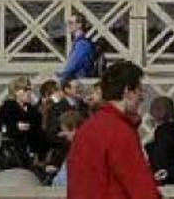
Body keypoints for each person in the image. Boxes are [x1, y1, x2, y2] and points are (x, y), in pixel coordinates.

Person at [65, 61, 161, 199]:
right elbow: (139, 185)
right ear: (128, 91)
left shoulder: (87, 128)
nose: (142, 97)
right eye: (140, 90)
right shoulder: (120, 131)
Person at [0, 76, 46, 173]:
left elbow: (38, 130)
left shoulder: (33, 110)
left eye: (30, 89)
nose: (29, 93)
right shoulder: (8, 107)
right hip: (13, 152)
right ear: (16, 91)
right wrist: (15, 127)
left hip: (30, 152)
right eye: (25, 90)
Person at [146, 96, 174, 186]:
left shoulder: (164, 132)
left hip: (166, 181)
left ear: (162, 112)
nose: (150, 113)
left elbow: (160, 158)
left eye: (153, 109)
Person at [45, 109, 85, 187]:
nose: (62, 134)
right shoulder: (70, 145)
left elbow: (61, 182)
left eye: (64, 131)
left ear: (73, 129)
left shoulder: (78, 149)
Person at [57, 14, 98, 84]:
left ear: (79, 25)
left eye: (71, 23)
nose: (68, 26)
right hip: (78, 78)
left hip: (79, 79)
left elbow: (73, 65)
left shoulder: (82, 44)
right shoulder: (81, 42)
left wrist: (59, 76)